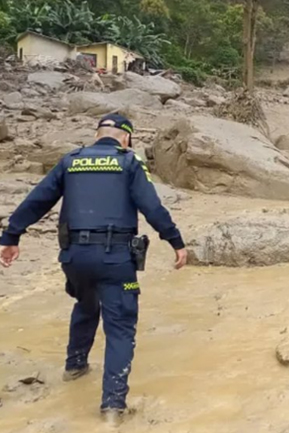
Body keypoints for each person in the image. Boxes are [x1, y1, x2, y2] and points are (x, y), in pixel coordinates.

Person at [0, 114, 187, 419]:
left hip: (74, 258)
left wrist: (11, 236)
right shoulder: (128, 162)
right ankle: (112, 406)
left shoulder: (71, 160)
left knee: (86, 305)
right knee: (120, 328)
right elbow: (152, 207)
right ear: (126, 138)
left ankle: (74, 367)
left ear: (98, 134)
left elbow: (36, 200)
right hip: (115, 259)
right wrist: (176, 242)